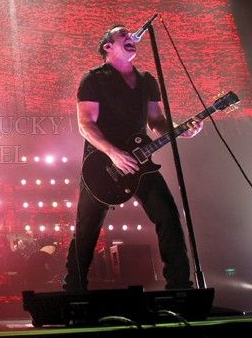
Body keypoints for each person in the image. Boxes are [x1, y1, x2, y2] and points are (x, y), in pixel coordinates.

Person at [64, 25, 203, 292]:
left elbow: (157, 122)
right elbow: (85, 124)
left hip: (141, 159)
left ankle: (179, 287)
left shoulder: (147, 80)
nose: (131, 39)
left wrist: (182, 130)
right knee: (87, 229)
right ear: (108, 46)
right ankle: (74, 290)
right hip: (102, 165)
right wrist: (113, 153)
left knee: (169, 216)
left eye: (131, 36)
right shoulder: (93, 79)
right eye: (123, 36)